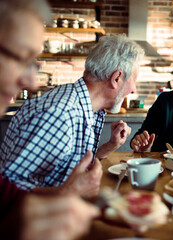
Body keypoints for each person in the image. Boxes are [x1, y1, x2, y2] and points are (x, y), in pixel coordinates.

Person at [0, 0, 99, 239]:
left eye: (31, 62)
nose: (33, 83)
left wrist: (67, 192)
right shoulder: (61, 111)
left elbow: (9, 196)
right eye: (19, 58)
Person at [0, 33, 145, 193]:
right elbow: (8, 189)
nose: (133, 90)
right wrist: (68, 192)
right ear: (116, 78)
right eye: (134, 80)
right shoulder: (60, 115)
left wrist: (110, 146)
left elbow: (65, 168)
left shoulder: (82, 105)